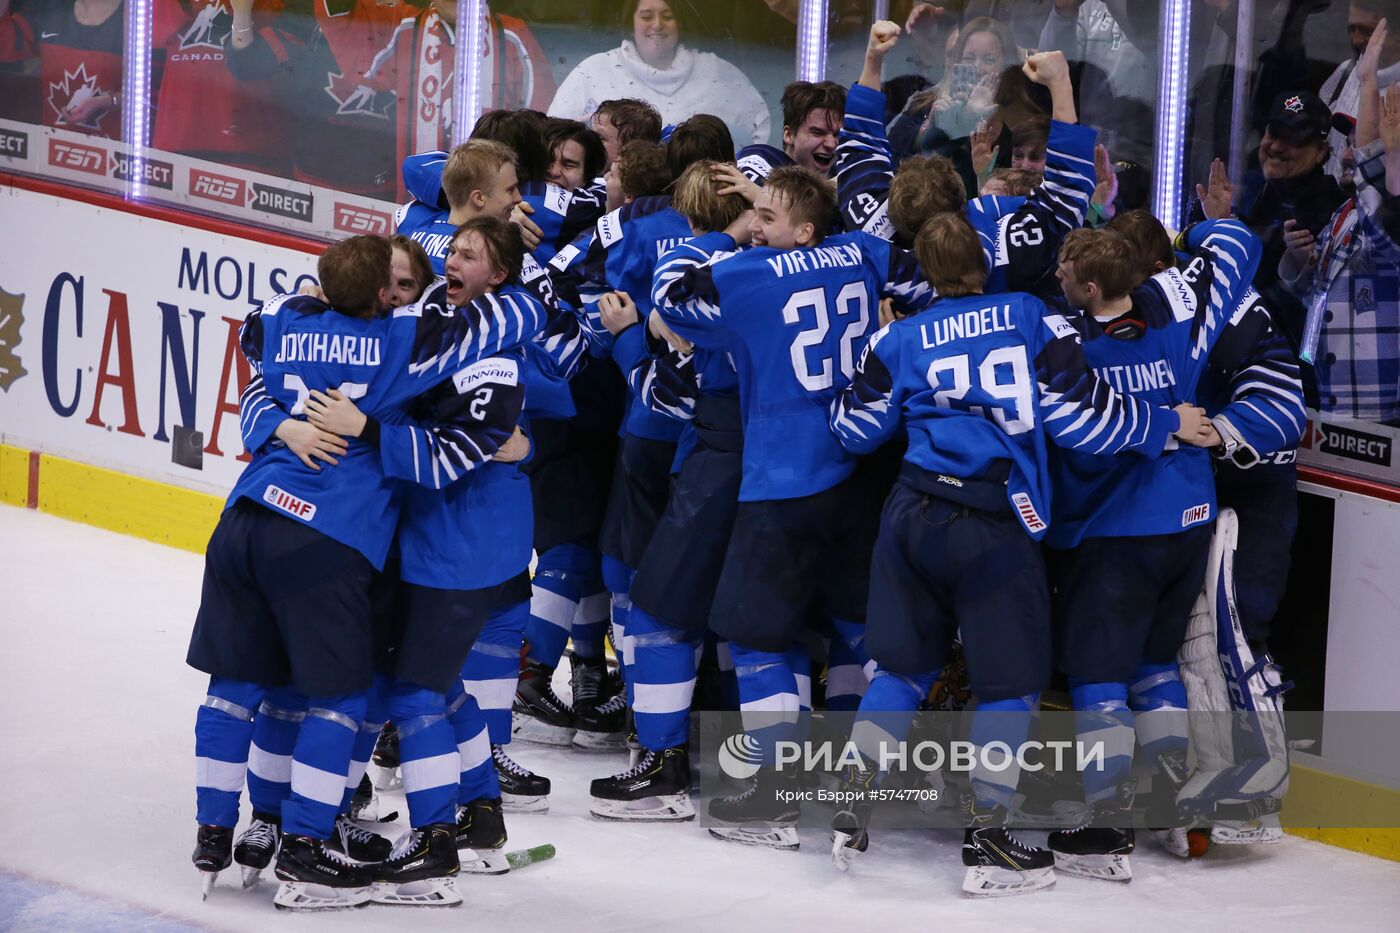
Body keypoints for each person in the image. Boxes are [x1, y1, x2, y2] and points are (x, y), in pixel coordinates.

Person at [826, 211, 1212, 894]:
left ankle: (852, 797)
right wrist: (1164, 422)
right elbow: (1083, 421)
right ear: (981, 261)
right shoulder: (1032, 315)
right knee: (1008, 686)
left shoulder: (897, 335)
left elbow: (854, 428)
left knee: (904, 671)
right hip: (994, 521)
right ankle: (989, 840)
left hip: (912, 513)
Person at [186, 234, 545, 907]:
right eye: (401, 282)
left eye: (423, 279)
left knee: (396, 692)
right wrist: (298, 423)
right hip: (358, 540)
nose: (418, 288)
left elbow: (257, 329)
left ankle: (443, 823)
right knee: (333, 693)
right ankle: (294, 833)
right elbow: (517, 317)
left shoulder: (308, 319)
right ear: (381, 293)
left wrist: (315, 421)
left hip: (396, 543)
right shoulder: (404, 340)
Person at [651, 166, 933, 848]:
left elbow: (670, 298)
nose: (755, 223)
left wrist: (718, 235)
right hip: (861, 473)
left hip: (782, 479)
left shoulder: (750, 273)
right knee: (863, 626)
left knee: (753, 634)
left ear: (802, 230)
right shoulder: (863, 252)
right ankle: (871, 767)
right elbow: (927, 286)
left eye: (768, 215)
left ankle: (774, 798)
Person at [1045, 215, 1262, 883]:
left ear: (1087, 288)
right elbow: (1241, 250)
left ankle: (1104, 826)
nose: (1053, 276)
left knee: (1099, 674)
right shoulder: (1176, 322)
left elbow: (1077, 432)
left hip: (1120, 533)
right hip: (1187, 522)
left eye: (1064, 271)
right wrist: (1210, 223)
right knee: (1152, 664)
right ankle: (1174, 804)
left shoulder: (1077, 353)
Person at [1281, 22, 1400, 425]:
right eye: (1346, 143)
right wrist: (1299, 265)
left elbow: (1385, 206)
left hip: (1374, 412)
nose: (1348, 153)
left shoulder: (1378, 216)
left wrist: (1369, 88)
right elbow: (1318, 294)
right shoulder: (1344, 213)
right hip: (1322, 392)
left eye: (1358, 145)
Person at [548, 0, 770, 147]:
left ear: (679, 23)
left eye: (667, 16)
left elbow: (759, 136)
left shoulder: (718, 73)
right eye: (646, 16)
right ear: (630, 21)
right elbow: (553, 137)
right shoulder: (593, 71)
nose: (657, 25)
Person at [31, 0, 123, 138]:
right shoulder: (51, 10)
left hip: (113, 151)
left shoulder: (138, 18)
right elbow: (6, 42)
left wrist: (109, 101)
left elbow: (151, 92)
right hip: (52, 147)